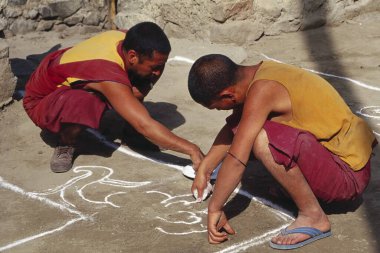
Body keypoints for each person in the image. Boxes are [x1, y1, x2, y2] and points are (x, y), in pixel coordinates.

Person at [187, 54, 377, 249]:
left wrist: (215, 208)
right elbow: (234, 127)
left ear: (228, 95)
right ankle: (304, 191)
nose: (221, 111)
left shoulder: (263, 90)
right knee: (247, 129)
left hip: (347, 175)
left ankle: (313, 216)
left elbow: (236, 159)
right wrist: (206, 168)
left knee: (261, 140)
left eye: (218, 108)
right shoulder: (259, 74)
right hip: (342, 160)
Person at [23, 22, 203, 173]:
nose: (158, 72)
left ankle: (129, 131)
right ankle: (66, 142)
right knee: (85, 101)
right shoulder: (107, 72)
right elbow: (145, 124)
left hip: (83, 75)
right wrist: (191, 149)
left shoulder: (130, 41)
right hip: (43, 100)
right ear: (132, 56)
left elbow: (148, 74)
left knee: (143, 77)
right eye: (154, 66)